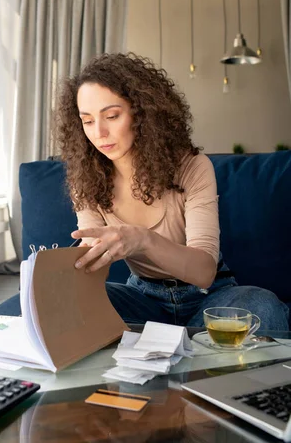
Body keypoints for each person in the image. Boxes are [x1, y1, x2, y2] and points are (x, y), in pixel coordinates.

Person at [55, 52, 289, 330]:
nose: (99, 132)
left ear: (141, 113)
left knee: (262, 306)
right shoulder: (85, 177)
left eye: (112, 116)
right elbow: (92, 260)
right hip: (142, 298)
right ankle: (185, 343)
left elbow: (203, 272)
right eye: (88, 121)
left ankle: (172, 342)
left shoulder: (192, 167)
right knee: (69, 303)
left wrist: (144, 240)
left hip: (210, 296)